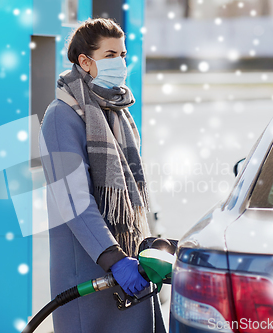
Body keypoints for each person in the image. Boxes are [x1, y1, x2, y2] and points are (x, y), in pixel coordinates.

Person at [38, 18, 166, 333]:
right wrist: (114, 259)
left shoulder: (116, 110)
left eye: (122, 55)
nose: (120, 63)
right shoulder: (61, 116)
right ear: (85, 60)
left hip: (128, 266)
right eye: (110, 55)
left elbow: (130, 193)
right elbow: (74, 201)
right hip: (90, 270)